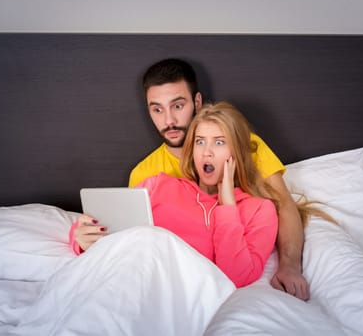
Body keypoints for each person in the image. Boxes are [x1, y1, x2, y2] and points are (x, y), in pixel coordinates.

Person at [128, 58, 312, 300]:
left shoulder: (247, 148)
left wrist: (289, 266)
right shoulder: (149, 177)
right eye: (157, 109)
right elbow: (128, 241)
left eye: (178, 106)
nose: (169, 120)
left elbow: (284, 205)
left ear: (197, 102)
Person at [70, 102, 279, 288]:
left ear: (237, 153)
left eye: (219, 142)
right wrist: (80, 239)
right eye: (200, 141)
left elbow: (235, 278)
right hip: (129, 283)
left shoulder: (260, 210)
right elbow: (106, 222)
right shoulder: (158, 186)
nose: (207, 152)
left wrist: (228, 208)